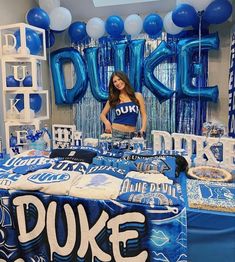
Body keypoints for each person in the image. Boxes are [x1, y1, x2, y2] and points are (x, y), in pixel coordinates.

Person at [100, 71, 147, 141]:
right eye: (115, 81)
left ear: (124, 79)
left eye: (119, 79)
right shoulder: (113, 98)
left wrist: (143, 129)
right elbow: (102, 115)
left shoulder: (137, 96)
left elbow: (144, 115)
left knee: (132, 152)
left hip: (132, 134)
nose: (118, 83)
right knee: (115, 152)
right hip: (116, 134)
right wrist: (107, 123)